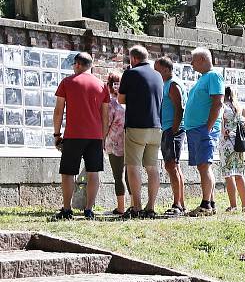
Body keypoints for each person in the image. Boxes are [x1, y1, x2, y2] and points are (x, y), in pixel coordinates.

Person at [51, 52, 109, 221]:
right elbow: (105, 116)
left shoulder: (67, 82)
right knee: (93, 172)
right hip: (95, 136)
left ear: (77, 64)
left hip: (73, 134)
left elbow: (58, 111)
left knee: (68, 173)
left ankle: (67, 209)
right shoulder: (101, 85)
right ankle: (89, 210)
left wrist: (56, 134)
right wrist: (103, 137)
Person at [118, 45, 163, 219]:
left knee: (133, 166)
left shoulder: (130, 73)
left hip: (136, 126)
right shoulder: (158, 75)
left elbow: (120, 99)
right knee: (152, 168)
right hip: (156, 128)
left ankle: (136, 206)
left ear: (134, 59)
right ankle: (150, 207)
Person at [184, 47, 224, 216]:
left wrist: (208, 127)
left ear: (202, 59)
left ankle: (206, 204)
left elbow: (218, 103)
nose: (191, 64)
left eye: (193, 60)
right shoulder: (203, 78)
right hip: (196, 129)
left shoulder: (214, 76)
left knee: (204, 165)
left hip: (203, 129)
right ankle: (211, 203)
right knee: (202, 166)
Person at [154, 57, 187, 216]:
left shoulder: (173, 84)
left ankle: (177, 204)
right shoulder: (167, 84)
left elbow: (179, 108)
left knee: (171, 166)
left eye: (157, 69)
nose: (155, 72)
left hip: (172, 130)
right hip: (168, 129)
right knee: (174, 166)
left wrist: (173, 130)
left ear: (166, 70)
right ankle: (180, 203)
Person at [218, 86, 245, 212]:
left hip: (226, 142)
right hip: (238, 143)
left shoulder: (223, 107)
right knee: (239, 174)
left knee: (229, 175)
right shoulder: (238, 107)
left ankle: (233, 206)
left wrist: (224, 130)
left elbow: (221, 124)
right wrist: (243, 129)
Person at [104, 72, 128, 216]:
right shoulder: (128, 102)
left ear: (109, 85)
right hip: (130, 142)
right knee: (130, 175)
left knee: (118, 176)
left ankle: (121, 207)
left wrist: (102, 139)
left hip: (114, 143)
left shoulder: (111, 104)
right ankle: (134, 205)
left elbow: (106, 124)